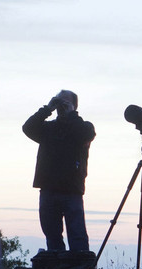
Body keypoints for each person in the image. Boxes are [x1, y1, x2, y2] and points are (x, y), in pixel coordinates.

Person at [23, 90, 96, 252]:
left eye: (65, 103)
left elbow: (86, 134)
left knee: (77, 235)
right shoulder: (48, 129)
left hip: (72, 190)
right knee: (52, 234)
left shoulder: (83, 127)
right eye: (59, 102)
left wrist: (71, 115)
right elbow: (28, 128)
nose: (61, 106)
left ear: (75, 106)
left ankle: (80, 268)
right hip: (48, 188)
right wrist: (47, 109)